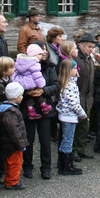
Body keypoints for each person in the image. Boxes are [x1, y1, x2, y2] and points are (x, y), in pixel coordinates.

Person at [20, 41, 59, 180]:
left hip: (45, 108)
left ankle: (46, 167)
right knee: (28, 140)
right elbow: (16, 84)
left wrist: (43, 90)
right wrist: (27, 93)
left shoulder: (49, 67)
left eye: (45, 49)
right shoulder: (23, 67)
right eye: (41, 50)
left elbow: (56, 85)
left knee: (45, 140)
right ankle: (27, 166)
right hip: (28, 107)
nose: (44, 52)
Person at [56, 59, 86, 175]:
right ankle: (66, 166)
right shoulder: (68, 86)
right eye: (74, 69)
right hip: (69, 116)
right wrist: (82, 113)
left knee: (67, 140)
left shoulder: (71, 83)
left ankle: (64, 164)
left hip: (69, 116)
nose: (76, 71)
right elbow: (73, 103)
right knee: (67, 141)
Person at [0, 82, 28, 190]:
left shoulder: (5, 109)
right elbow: (14, 130)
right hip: (12, 143)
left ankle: (10, 179)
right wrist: (20, 143)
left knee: (10, 162)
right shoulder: (11, 112)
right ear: (15, 97)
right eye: (21, 95)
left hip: (7, 142)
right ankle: (12, 181)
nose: (22, 97)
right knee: (14, 163)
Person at [0, 56, 15, 184]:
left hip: (9, 118)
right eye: (11, 67)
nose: (14, 69)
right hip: (1, 118)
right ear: (2, 70)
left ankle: (7, 171)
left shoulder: (9, 81)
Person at [73, 33, 96, 160]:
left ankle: (81, 149)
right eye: (89, 47)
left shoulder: (89, 59)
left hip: (88, 97)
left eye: (93, 47)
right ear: (81, 45)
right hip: (78, 96)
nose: (91, 50)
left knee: (84, 126)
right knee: (76, 126)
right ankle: (74, 150)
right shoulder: (76, 59)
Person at [13, 44, 51, 120]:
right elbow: (37, 76)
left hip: (23, 84)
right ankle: (44, 106)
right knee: (37, 94)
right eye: (40, 54)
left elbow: (15, 73)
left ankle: (31, 110)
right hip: (31, 83)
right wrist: (42, 85)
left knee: (29, 99)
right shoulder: (35, 63)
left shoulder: (20, 62)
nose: (42, 55)